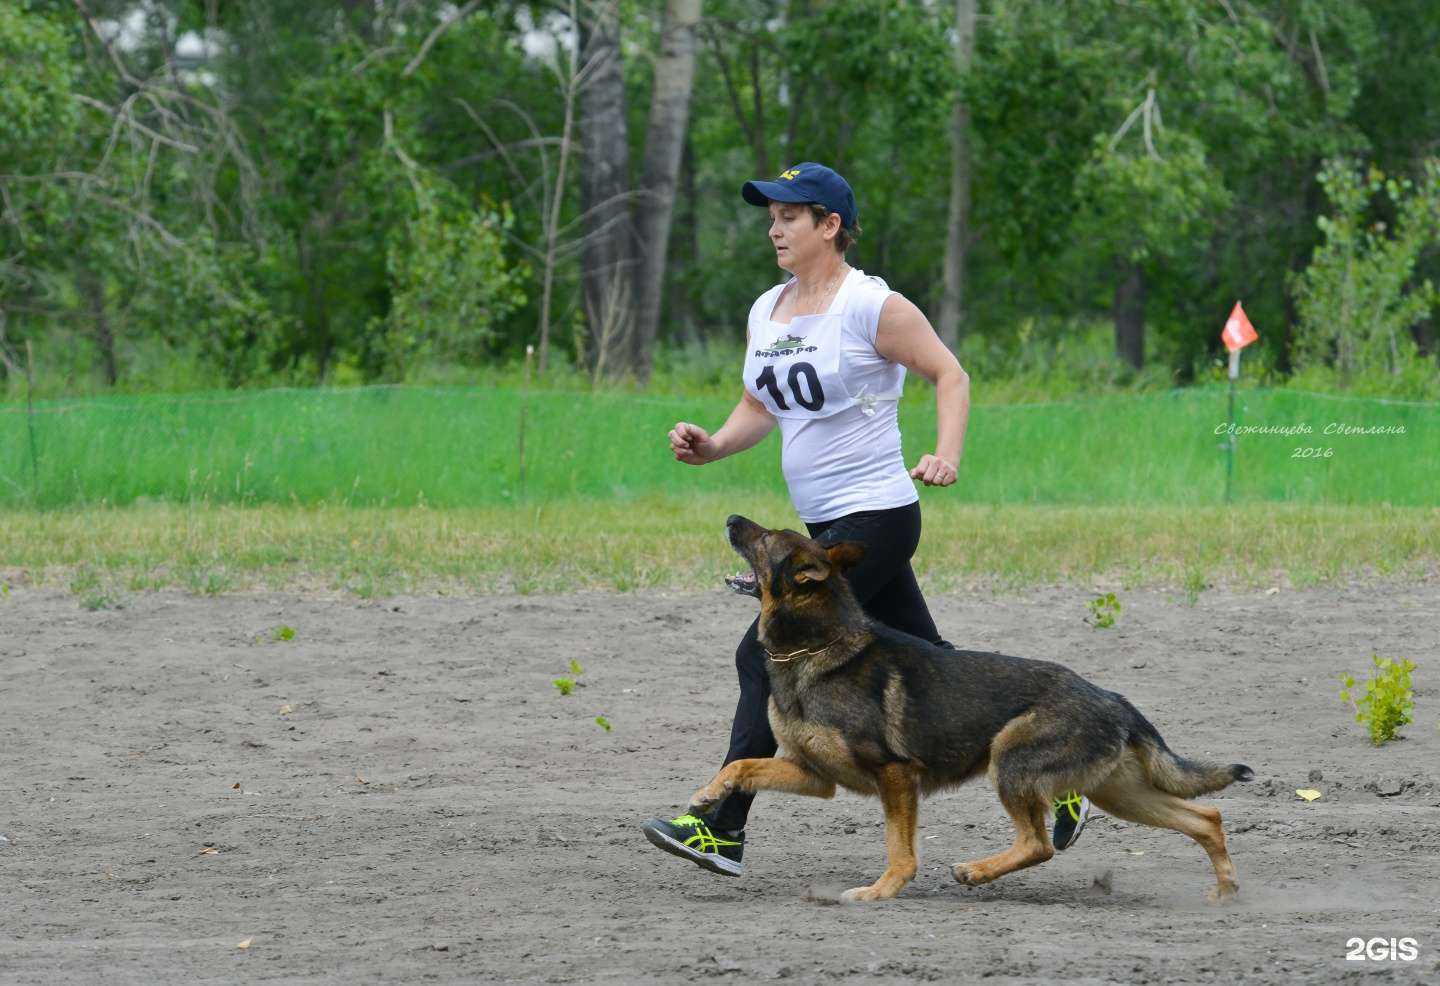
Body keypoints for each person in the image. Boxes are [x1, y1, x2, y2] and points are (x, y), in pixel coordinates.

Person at [640, 162, 1091, 878]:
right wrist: (715, 445)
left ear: (831, 226)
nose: (774, 228)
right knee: (931, 660)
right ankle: (1059, 768)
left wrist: (946, 454)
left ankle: (720, 828)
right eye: (771, 216)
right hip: (822, 523)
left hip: (876, 515)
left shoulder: (871, 306)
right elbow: (760, 403)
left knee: (765, 651)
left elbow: (951, 374)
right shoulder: (767, 309)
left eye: (790, 216)